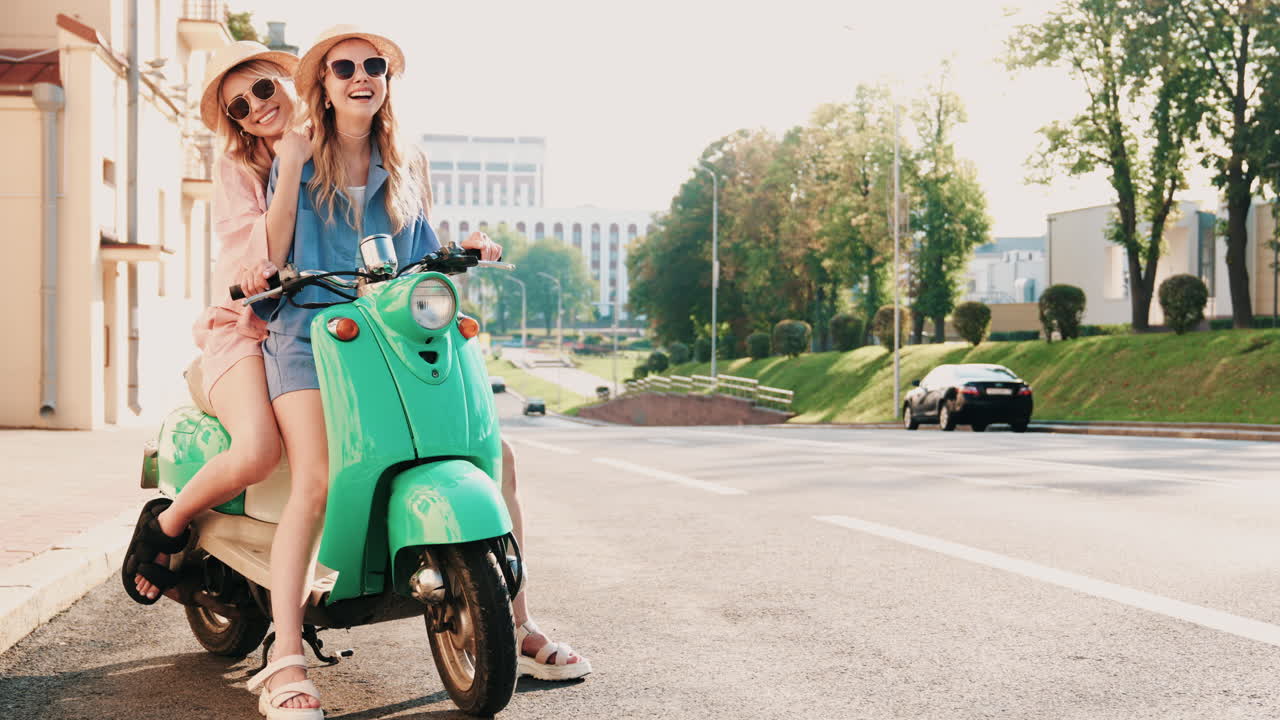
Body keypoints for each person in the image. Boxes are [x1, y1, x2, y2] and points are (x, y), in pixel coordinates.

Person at [245, 27, 589, 717]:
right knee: (317, 476)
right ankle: (284, 655)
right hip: (311, 328)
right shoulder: (301, 153)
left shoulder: (407, 161)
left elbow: (416, 255)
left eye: (375, 66)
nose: (361, 76)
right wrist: (289, 163)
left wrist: (460, 248)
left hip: (391, 330)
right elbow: (275, 248)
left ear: (387, 82)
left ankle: (516, 622)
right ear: (325, 83)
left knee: (501, 459)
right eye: (345, 67)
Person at [122, 41, 309, 606]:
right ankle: (166, 524)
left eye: (263, 88)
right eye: (238, 106)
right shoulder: (240, 168)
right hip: (244, 326)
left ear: (287, 80)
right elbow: (257, 253)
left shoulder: (338, 147)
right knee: (258, 451)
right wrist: (292, 163)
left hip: (314, 325)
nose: (255, 105)